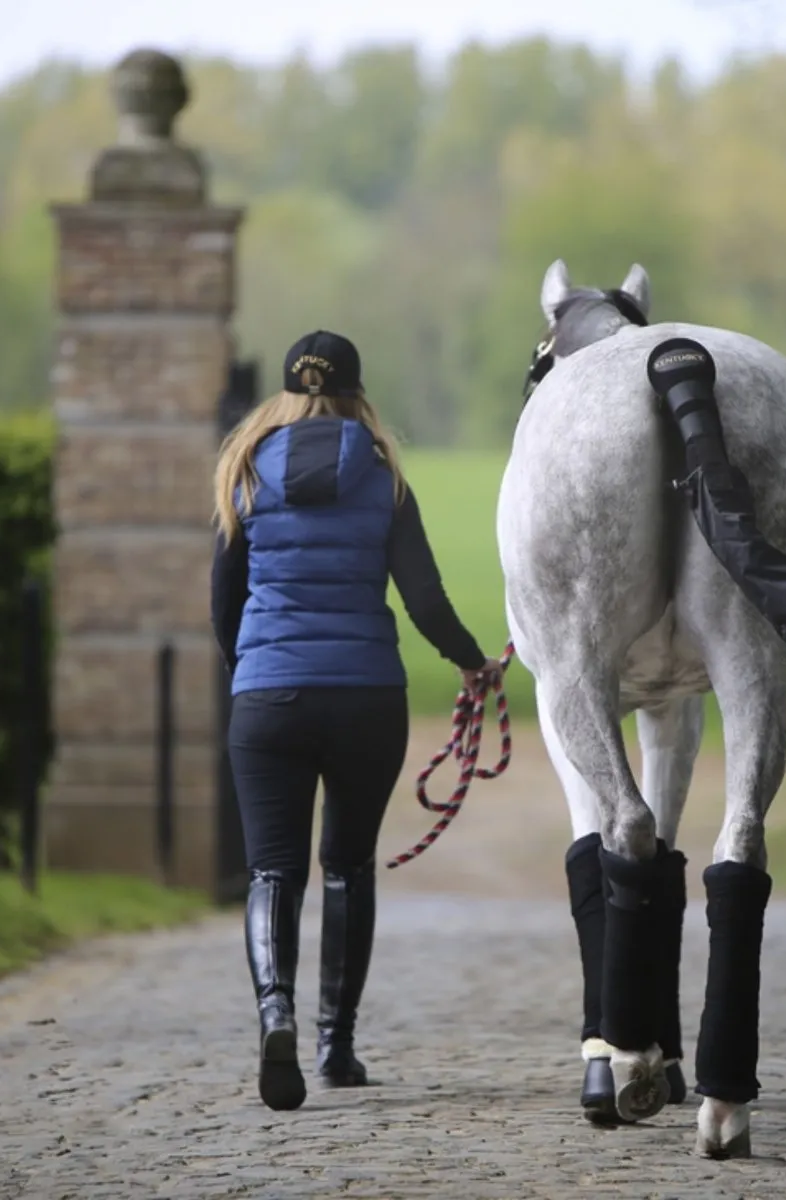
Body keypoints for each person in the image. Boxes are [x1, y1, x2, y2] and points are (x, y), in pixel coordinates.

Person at [211, 330, 500, 1113]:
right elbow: (425, 598)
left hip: (268, 698)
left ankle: (277, 1015)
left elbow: (222, 601)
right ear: (356, 392)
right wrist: (474, 663)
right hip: (367, 695)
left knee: (273, 871)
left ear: (288, 392)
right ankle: (336, 1046)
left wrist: (256, 673)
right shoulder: (382, 477)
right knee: (346, 865)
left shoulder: (245, 470)